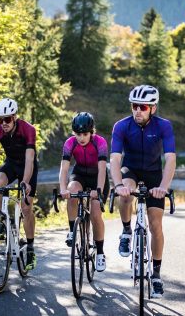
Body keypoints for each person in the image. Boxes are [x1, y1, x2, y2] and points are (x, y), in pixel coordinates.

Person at [110, 85, 175, 298]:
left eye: (143, 107)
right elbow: (115, 159)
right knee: (126, 191)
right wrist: (118, 185)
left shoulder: (164, 126)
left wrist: (163, 187)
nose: (138, 110)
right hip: (132, 170)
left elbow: (170, 159)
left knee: (156, 224)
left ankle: (156, 275)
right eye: (134, 106)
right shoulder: (121, 126)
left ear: (152, 108)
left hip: (154, 173)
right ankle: (127, 231)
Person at [0, 98, 38, 269]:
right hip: (11, 164)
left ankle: (31, 248)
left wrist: (25, 182)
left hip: (28, 167)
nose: (3, 123)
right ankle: (2, 220)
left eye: (7, 119)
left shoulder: (28, 130)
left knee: (26, 208)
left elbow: (30, 158)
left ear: (14, 117)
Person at [59, 112, 110, 272]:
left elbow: (102, 169)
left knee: (95, 213)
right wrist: (62, 188)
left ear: (91, 132)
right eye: (78, 134)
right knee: (72, 190)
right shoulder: (70, 143)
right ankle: (71, 230)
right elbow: (64, 168)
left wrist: (99, 190)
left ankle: (100, 252)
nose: (82, 138)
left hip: (97, 177)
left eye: (85, 134)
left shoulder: (100, 142)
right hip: (80, 173)